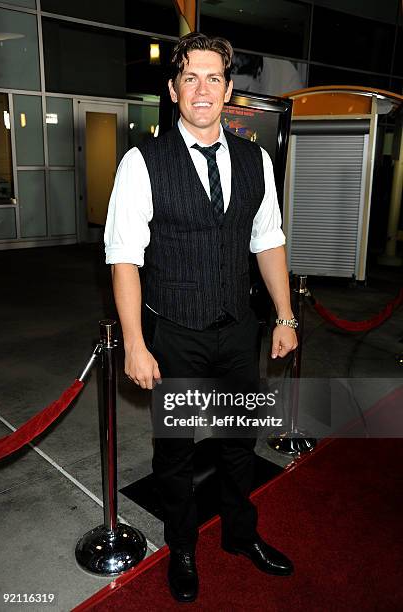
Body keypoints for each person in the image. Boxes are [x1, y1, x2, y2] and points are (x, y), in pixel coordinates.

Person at [104, 32, 298, 603]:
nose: (203, 88)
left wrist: (284, 316)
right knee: (179, 450)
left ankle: (241, 535)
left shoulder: (256, 158)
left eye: (214, 77)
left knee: (242, 441)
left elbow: (268, 242)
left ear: (230, 89)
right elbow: (124, 258)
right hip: (178, 333)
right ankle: (182, 546)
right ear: (173, 89)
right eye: (191, 77)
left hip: (240, 328)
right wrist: (137, 344)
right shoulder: (143, 163)